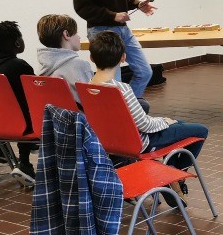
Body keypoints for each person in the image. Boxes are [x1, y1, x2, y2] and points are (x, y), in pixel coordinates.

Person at [87, 31, 207, 189]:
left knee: (179, 124)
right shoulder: (121, 89)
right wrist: (165, 121)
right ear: (123, 57)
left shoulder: (87, 86)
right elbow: (145, 125)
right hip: (141, 143)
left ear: (91, 58)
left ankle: (171, 172)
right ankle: (175, 174)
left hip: (111, 142)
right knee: (200, 130)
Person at [0, 21, 36, 181]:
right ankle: (25, 162)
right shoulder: (19, 66)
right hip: (18, 124)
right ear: (17, 42)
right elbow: (34, 94)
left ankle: (16, 159)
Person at [36, 13, 94, 100]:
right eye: (76, 33)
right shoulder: (80, 65)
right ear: (66, 34)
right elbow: (92, 100)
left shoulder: (42, 65)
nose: (79, 37)